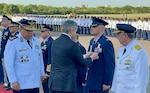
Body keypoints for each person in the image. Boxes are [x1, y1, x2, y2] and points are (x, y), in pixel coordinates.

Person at [49, 20, 99, 93]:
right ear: (71, 30)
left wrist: (85, 55)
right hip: (66, 84)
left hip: (54, 82)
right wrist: (92, 57)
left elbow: (67, 58)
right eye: (75, 31)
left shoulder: (55, 42)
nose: (75, 34)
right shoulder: (72, 44)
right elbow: (82, 62)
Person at [4, 19, 45, 93]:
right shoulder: (13, 42)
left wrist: (42, 73)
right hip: (21, 82)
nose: (30, 33)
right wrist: (13, 80)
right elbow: (9, 64)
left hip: (35, 81)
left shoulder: (36, 41)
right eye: (27, 31)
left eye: (32, 31)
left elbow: (40, 59)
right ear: (21, 29)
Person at [110, 24, 149, 93]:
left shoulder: (139, 52)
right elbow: (118, 71)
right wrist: (114, 89)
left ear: (125, 36)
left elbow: (141, 77)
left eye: (118, 35)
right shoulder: (121, 50)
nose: (117, 37)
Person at [86, 17, 115, 93]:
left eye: (94, 26)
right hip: (91, 80)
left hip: (100, 82)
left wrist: (107, 82)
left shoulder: (106, 43)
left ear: (102, 28)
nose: (91, 28)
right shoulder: (92, 41)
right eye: (91, 26)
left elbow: (110, 64)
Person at [40, 24, 54, 93]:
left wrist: (47, 72)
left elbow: (50, 58)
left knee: (47, 89)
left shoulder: (51, 43)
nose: (41, 33)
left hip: (46, 70)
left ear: (48, 32)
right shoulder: (43, 43)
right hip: (42, 69)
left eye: (43, 31)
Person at [0, 15, 11, 89]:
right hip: (4, 51)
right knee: (5, 68)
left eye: (2, 21)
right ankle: (7, 82)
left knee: (8, 68)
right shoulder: (5, 30)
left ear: (6, 21)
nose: (1, 22)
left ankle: (9, 82)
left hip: (8, 52)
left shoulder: (9, 30)